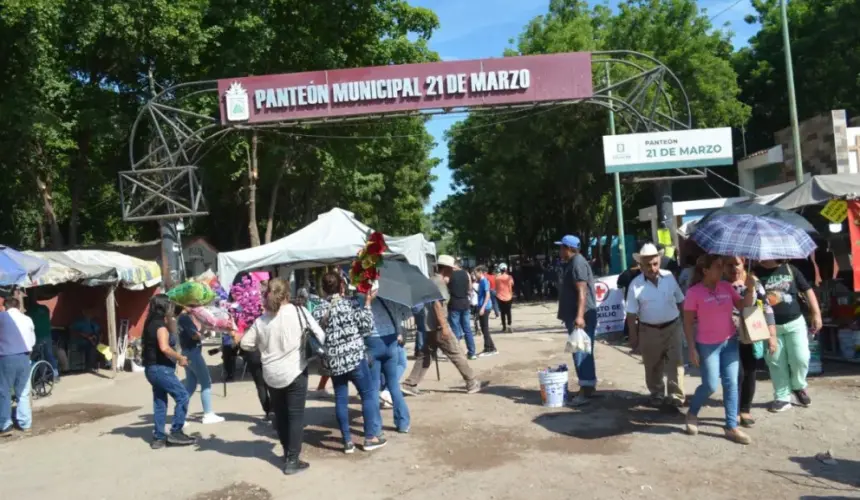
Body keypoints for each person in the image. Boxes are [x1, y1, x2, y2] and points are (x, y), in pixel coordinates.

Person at [239, 278, 325, 475]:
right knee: (295, 417)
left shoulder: (261, 321)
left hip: (271, 374)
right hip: (295, 371)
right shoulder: (299, 311)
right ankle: (292, 460)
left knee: (282, 416)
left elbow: (245, 344)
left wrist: (262, 347)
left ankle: (288, 454)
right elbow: (320, 335)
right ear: (287, 294)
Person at [683, 254, 754, 445]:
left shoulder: (726, 287)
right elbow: (688, 322)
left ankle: (731, 426)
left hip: (730, 341)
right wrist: (691, 348)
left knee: (731, 383)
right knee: (711, 385)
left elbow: (744, 306)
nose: (722, 269)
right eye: (717, 266)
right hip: (707, 345)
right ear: (706, 270)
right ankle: (692, 413)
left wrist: (751, 288)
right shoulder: (694, 292)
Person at [312, 271, 386, 453]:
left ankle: (347, 442)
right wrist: (368, 303)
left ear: (323, 289)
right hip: (355, 358)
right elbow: (367, 328)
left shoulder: (318, 310)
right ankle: (370, 438)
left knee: (341, 399)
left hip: (334, 362)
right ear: (341, 286)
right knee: (368, 394)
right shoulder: (351, 304)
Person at [401, 264, 481, 396]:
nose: (453, 273)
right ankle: (471, 382)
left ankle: (410, 384)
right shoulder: (439, 283)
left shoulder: (432, 280)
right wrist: (444, 327)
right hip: (439, 325)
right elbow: (438, 305)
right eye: (451, 270)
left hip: (430, 325)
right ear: (446, 269)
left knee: (425, 355)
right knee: (456, 353)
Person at [755, 259, 823, 412]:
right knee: (775, 361)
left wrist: (816, 314)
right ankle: (782, 396)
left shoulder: (790, 269)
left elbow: (807, 290)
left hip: (795, 322)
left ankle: (798, 387)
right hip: (769, 326)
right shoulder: (755, 272)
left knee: (801, 357)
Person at [625, 244, 686, 407]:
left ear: (659, 261)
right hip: (649, 330)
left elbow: (681, 300)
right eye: (648, 265)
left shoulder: (669, 277)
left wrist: (686, 326)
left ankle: (675, 396)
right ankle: (657, 393)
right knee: (652, 364)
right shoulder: (635, 285)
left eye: (655, 263)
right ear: (641, 265)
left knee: (676, 363)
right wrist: (634, 336)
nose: (652, 268)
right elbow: (631, 314)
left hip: (673, 327)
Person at [723, 256, 777, 427]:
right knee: (734, 375)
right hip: (728, 335)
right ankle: (734, 411)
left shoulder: (753, 281)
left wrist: (772, 335)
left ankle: (745, 410)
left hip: (751, 332)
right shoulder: (720, 283)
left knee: (749, 372)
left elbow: (767, 307)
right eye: (729, 265)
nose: (733, 269)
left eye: (736, 264)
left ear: (743, 262)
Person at [141, 294, 195, 449]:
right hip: (160, 369)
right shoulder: (160, 326)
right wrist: (180, 358)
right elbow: (165, 347)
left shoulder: (150, 323)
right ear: (163, 307)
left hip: (152, 368)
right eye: (169, 305)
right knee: (182, 396)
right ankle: (176, 431)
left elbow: (171, 330)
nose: (171, 308)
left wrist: (171, 319)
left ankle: (158, 437)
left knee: (160, 402)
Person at [556, 235, 598, 406]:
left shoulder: (577, 263)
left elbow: (582, 291)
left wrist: (579, 316)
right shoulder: (572, 263)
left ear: (569, 248)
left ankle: (585, 391)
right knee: (581, 351)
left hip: (582, 316)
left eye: (561, 247)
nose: (559, 251)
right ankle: (588, 386)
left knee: (581, 352)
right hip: (575, 315)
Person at [366, 295, 410, 433]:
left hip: (372, 341)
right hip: (391, 340)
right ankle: (403, 422)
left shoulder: (362, 298)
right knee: (393, 385)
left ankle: (375, 428)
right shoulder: (392, 296)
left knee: (373, 388)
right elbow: (405, 314)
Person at [177, 308, 224, 424]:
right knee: (206, 382)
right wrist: (202, 333)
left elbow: (195, 334)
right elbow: (194, 336)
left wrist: (204, 330)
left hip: (188, 352)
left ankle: (180, 413)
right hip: (193, 352)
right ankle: (208, 414)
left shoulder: (182, 318)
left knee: (191, 385)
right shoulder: (185, 318)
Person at [0, 297, 36, 435]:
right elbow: (32, 341)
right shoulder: (27, 319)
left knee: (4, 391)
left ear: (5, 307)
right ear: (19, 306)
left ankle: (5, 425)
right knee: (23, 391)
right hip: (25, 356)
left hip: (6, 358)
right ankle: (25, 424)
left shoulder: (2, 317)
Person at [444, 256, 477, 360]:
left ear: (453, 265)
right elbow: (470, 289)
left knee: (455, 330)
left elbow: (445, 289)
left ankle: (457, 353)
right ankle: (472, 353)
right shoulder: (466, 274)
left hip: (454, 304)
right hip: (465, 303)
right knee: (467, 329)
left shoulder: (448, 275)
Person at [25, 296, 58, 379]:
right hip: (47, 334)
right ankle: (55, 373)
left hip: (37, 336)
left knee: (38, 356)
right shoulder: (45, 308)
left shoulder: (29, 312)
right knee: (49, 354)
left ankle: (42, 374)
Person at [474, 266, 498, 357]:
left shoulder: (484, 281)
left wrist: (483, 307)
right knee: (484, 328)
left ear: (480, 272)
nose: (474, 275)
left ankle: (489, 348)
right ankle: (490, 347)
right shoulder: (480, 282)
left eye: (475, 273)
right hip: (481, 306)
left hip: (485, 307)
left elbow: (487, 295)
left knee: (485, 328)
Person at [495, 263, 515, 333]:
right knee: (508, 311)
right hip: (509, 296)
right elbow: (512, 284)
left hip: (499, 296)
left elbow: (495, 286)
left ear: (500, 269)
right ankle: (509, 325)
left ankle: (504, 327)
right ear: (506, 269)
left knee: (502, 312)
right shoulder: (509, 277)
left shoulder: (497, 277)